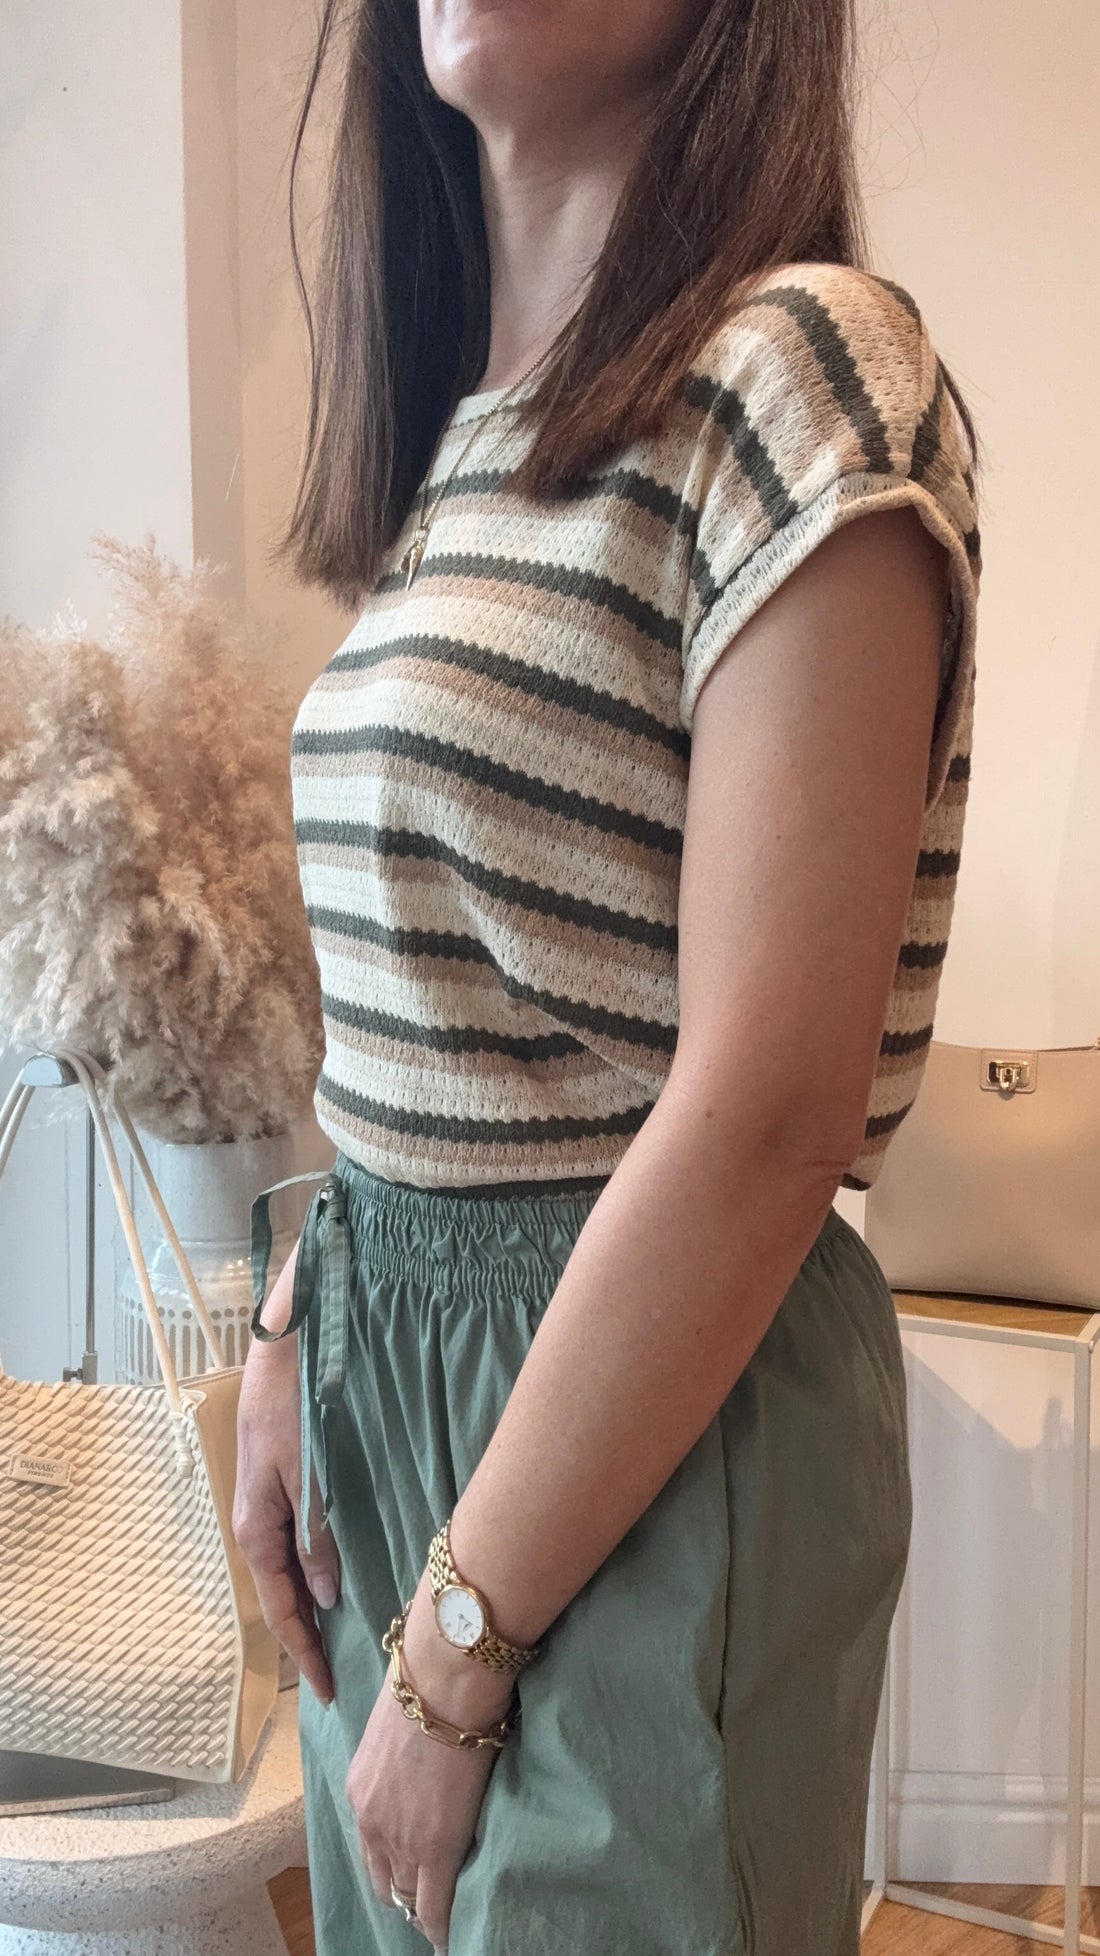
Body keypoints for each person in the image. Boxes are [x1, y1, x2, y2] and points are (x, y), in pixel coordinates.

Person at [233, 1, 983, 1952]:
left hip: (626, 1404)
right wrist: (298, 1310)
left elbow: (766, 1110)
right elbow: (440, 985)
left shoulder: (802, 364)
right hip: (400, 1391)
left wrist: (459, 1644)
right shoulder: (468, 440)